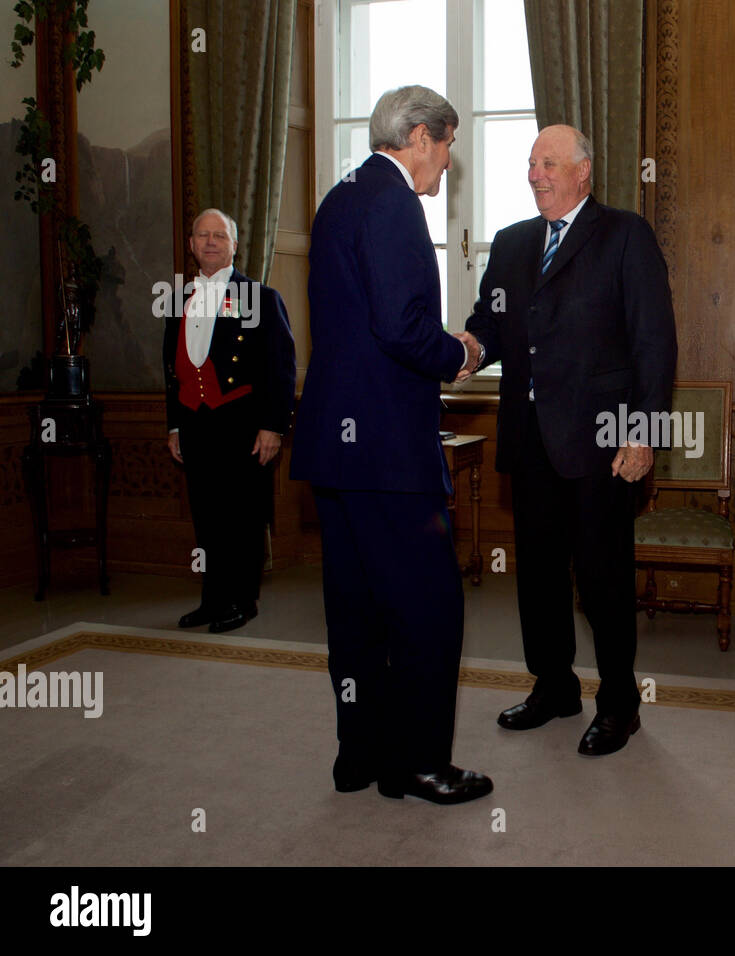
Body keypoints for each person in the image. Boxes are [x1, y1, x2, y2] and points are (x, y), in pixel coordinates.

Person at [290, 86, 491, 804]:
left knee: (354, 609)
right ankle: (422, 764)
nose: (447, 161)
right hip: (385, 452)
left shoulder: (340, 197)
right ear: (419, 137)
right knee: (429, 609)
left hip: (335, 447)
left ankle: (361, 755)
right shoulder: (395, 202)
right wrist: (461, 354)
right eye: (448, 143)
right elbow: (402, 329)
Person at [462, 124, 677, 756]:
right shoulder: (510, 244)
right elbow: (490, 326)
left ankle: (619, 702)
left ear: (584, 170)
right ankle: (553, 686)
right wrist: (465, 350)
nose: (536, 176)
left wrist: (644, 434)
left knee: (605, 577)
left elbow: (654, 344)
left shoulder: (625, 235)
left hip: (604, 444)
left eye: (549, 164)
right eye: (531, 166)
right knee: (539, 576)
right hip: (530, 443)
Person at [164, 208, 295, 634]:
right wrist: (174, 426)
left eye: (219, 235)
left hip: (244, 425)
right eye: (202, 235)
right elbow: (171, 368)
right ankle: (212, 600)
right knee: (207, 517)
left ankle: (242, 601)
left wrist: (273, 425)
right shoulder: (178, 298)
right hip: (197, 424)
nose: (210, 242)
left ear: (235, 245)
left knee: (243, 517)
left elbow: (281, 367)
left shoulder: (260, 297)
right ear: (191, 244)